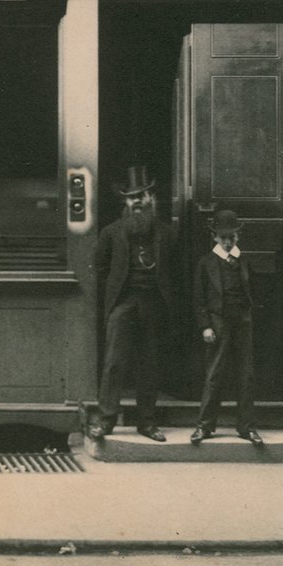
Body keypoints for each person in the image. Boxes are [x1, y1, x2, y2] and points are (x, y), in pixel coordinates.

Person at [87, 165, 174, 443]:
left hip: (153, 304)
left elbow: (176, 272)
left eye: (142, 195)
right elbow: (100, 268)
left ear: (151, 198)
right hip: (123, 304)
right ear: (125, 202)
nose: (137, 201)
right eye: (131, 197)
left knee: (150, 363)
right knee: (114, 362)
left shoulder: (166, 233)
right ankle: (106, 420)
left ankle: (147, 422)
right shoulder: (111, 233)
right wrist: (116, 296)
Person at [191, 209, 264, 446]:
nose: (227, 240)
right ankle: (204, 426)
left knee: (246, 375)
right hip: (218, 323)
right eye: (223, 236)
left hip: (242, 322)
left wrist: (250, 316)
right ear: (215, 237)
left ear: (237, 236)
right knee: (214, 374)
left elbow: (253, 293)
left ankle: (247, 427)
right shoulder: (206, 263)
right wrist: (205, 326)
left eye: (231, 236)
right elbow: (199, 299)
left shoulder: (244, 261)